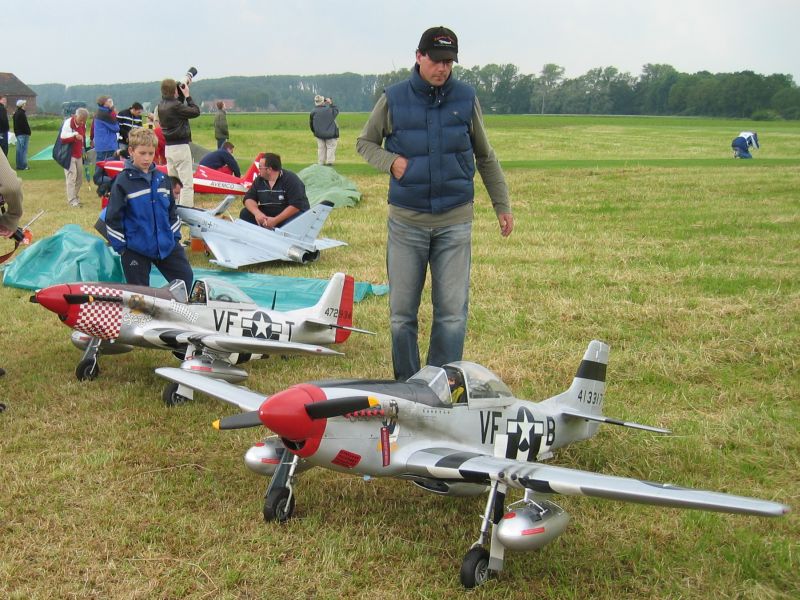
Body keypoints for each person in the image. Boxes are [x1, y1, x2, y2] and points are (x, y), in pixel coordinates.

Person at [357, 26, 514, 381]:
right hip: (406, 223)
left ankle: (440, 387)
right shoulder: (393, 98)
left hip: (454, 221)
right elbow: (365, 143)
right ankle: (408, 386)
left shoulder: (466, 98)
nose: (443, 68)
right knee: (401, 316)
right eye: (437, 60)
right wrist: (391, 162)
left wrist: (501, 204)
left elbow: (485, 155)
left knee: (452, 315)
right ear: (419, 56)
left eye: (449, 62)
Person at [104, 127, 193, 291]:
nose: (147, 158)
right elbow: (112, 219)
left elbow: (172, 212)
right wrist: (123, 248)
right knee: (140, 295)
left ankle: (173, 307)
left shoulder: (163, 179)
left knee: (185, 279)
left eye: (151, 153)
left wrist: (174, 237)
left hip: (166, 244)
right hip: (136, 249)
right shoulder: (122, 182)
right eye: (142, 153)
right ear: (131, 151)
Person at [158, 77, 200, 207]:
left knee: (173, 182)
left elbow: (177, 106)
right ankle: (186, 210)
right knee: (186, 184)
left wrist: (179, 92)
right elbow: (195, 111)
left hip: (169, 148)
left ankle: (173, 208)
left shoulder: (161, 105)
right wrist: (187, 95)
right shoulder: (176, 106)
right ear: (174, 91)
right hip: (181, 147)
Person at [240, 152, 309, 228]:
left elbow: (296, 206)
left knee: (291, 224)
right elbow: (248, 198)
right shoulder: (259, 180)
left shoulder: (291, 179)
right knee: (245, 214)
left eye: (260, 167)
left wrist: (275, 221)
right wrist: (257, 213)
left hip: (291, 213)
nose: (259, 170)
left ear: (269, 169)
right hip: (271, 211)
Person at [59, 107, 89, 207]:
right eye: (80, 120)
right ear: (76, 116)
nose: (82, 122)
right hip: (69, 154)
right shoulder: (68, 123)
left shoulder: (83, 124)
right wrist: (74, 135)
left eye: (84, 121)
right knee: (71, 177)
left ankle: (75, 196)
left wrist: (84, 149)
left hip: (79, 154)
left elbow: (83, 138)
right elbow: (63, 138)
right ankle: (72, 200)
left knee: (79, 178)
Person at [310, 94, 339, 166]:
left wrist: (315, 132)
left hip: (319, 134)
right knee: (331, 147)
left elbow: (311, 124)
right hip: (330, 134)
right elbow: (336, 111)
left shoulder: (313, 111)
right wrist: (331, 103)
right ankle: (329, 162)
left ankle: (321, 163)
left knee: (321, 148)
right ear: (323, 102)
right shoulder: (329, 110)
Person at [12, 100, 31, 171]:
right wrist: (28, 132)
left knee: (19, 150)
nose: (25, 105)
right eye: (24, 104)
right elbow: (23, 125)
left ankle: (19, 165)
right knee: (23, 150)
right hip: (23, 134)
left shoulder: (16, 113)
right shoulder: (21, 114)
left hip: (18, 134)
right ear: (22, 105)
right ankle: (23, 166)